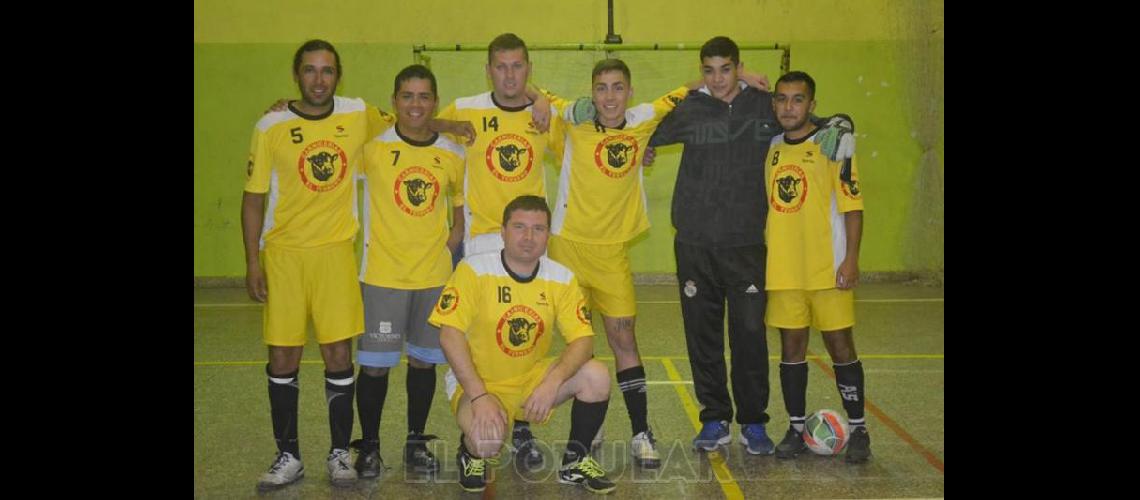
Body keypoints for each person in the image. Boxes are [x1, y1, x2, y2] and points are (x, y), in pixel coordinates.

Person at [644, 36, 856, 455]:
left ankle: (754, 423)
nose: (718, 79)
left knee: (749, 336)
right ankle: (714, 418)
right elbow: (640, 125)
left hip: (746, 245)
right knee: (702, 337)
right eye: (710, 70)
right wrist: (647, 146)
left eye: (727, 69)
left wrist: (843, 127)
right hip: (694, 243)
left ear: (739, 67)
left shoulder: (764, 105)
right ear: (702, 71)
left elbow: (810, 120)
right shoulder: (689, 107)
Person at [243, 39, 396, 491]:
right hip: (285, 256)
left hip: (334, 254)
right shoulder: (271, 124)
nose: (318, 79)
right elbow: (253, 200)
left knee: (337, 354)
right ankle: (288, 454)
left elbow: (412, 121)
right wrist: (253, 262)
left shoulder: (357, 114)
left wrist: (451, 125)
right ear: (296, 75)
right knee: (283, 354)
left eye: (327, 71)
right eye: (309, 70)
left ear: (338, 75)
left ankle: (337, 453)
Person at [540, 58, 693, 469]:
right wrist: (567, 107)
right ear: (592, 92)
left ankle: (642, 431)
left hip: (612, 255)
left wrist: (746, 77)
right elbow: (528, 91)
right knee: (580, 342)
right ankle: (590, 426)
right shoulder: (574, 122)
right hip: (567, 249)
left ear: (630, 91)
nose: (610, 96)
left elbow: (691, 90)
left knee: (624, 340)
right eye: (602, 88)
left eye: (618, 87)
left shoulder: (643, 119)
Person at [429, 195, 617, 494]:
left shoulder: (561, 278)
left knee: (596, 375)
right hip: (478, 383)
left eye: (538, 229)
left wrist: (552, 381)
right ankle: (470, 452)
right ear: (502, 232)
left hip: (530, 380)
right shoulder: (473, 270)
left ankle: (575, 461)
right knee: (488, 442)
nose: (528, 237)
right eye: (519, 227)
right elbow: (448, 336)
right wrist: (479, 396)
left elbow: (583, 339)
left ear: (548, 236)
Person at [433, 32, 559, 470]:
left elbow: (589, 140)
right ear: (488, 70)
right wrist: (448, 126)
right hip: (481, 245)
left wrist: (541, 99)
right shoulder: (466, 108)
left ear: (529, 70)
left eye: (518, 66)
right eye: (501, 66)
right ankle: (473, 423)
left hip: (531, 241)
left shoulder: (546, 115)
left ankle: (520, 426)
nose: (509, 75)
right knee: (478, 339)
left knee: (527, 332)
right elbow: (414, 119)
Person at [347, 64, 467, 480]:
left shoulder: (452, 154)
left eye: (423, 96)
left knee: (423, 363)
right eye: (407, 96)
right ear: (394, 100)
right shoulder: (372, 146)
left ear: (434, 101)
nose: (415, 105)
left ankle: (415, 442)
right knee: (376, 366)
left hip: (432, 278)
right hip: (382, 277)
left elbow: (459, 212)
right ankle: (371, 446)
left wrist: (450, 246)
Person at [763, 71, 870, 463]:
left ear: (812, 105)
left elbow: (853, 207)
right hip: (784, 269)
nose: (788, 107)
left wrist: (852, 258)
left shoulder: (834, 146)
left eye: (797, 99)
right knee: (791, 349)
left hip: (828, 269)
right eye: (782, 99)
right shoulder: (773, 145)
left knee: (840, 346)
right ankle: (794, 428)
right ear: (774, 103)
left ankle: (859, 429)